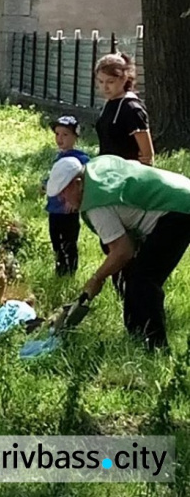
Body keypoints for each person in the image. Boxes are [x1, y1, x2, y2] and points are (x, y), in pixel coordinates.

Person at [46, 154, 190, 350]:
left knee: (144, 280)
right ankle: (136, 337)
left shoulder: (96, 204)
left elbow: (123, 250)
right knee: (131, 273)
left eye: (64, 193)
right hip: (180, 190)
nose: (62, 200)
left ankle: (155, 349)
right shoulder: (95, 168)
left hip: (178, 210)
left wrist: (96, 279)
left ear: (78, 183)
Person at [45, 116, 90, 276]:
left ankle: (70, 270)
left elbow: (86, 180)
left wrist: (77, 199)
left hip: (68, 210)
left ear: (75, 137)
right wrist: (45, 185)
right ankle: (60, 269)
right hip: (54, 209)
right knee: (56, 242)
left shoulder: (81, 159)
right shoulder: (59, 157)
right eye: (57, 134)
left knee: (69, 242)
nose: (60, 139)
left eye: (65, 135)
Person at [95, 53, 154, 165]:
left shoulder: (132, 108)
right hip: (106, 171)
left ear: (124, 78)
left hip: (127, 174)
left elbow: (147, 156)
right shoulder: (109, 103)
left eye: (110, 82)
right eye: (101, 82)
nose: (105, 87)